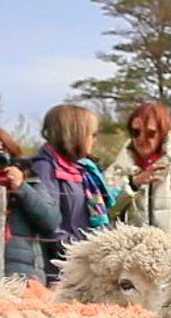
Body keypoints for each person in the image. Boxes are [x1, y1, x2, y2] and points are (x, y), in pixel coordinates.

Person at [27, 104, 116, 283]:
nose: (95, 140)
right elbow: (49, 224)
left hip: (83, 263)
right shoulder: (46, 169)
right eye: (92, 134)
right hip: (58, 270)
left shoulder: (82, 170)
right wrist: (83, 248)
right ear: (75, 134)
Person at [0, 125, 60, 281]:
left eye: (3, 154)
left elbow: (51, 222)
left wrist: (21, 187)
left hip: (25, 278)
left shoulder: (31, 182)